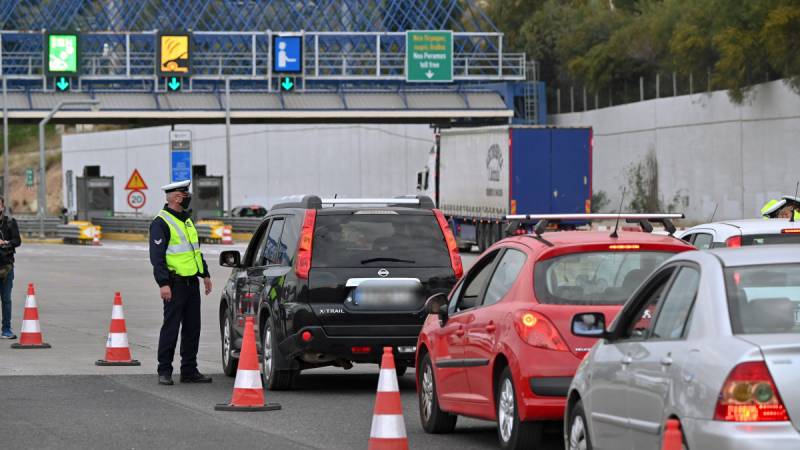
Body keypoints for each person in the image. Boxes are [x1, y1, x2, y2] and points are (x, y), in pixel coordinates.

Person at [149, 180, 213, 386]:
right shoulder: (161, 222)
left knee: (192, 328)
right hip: (174, 284)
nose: (187, 198)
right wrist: (163, 284)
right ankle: (164, 370)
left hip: (191, 282)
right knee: (171, 328)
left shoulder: (187, 220)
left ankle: (189, 370)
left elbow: (195, 250)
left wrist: (205, 274)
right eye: (185, 195)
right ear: (177, 197)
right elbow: (157, 257)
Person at [0, 196, 21, 339]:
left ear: (2, 206)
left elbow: (17, 241)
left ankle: (6, 329)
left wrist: (5, 242)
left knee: (6, 299)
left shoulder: (9, 222)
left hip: (6, 267)